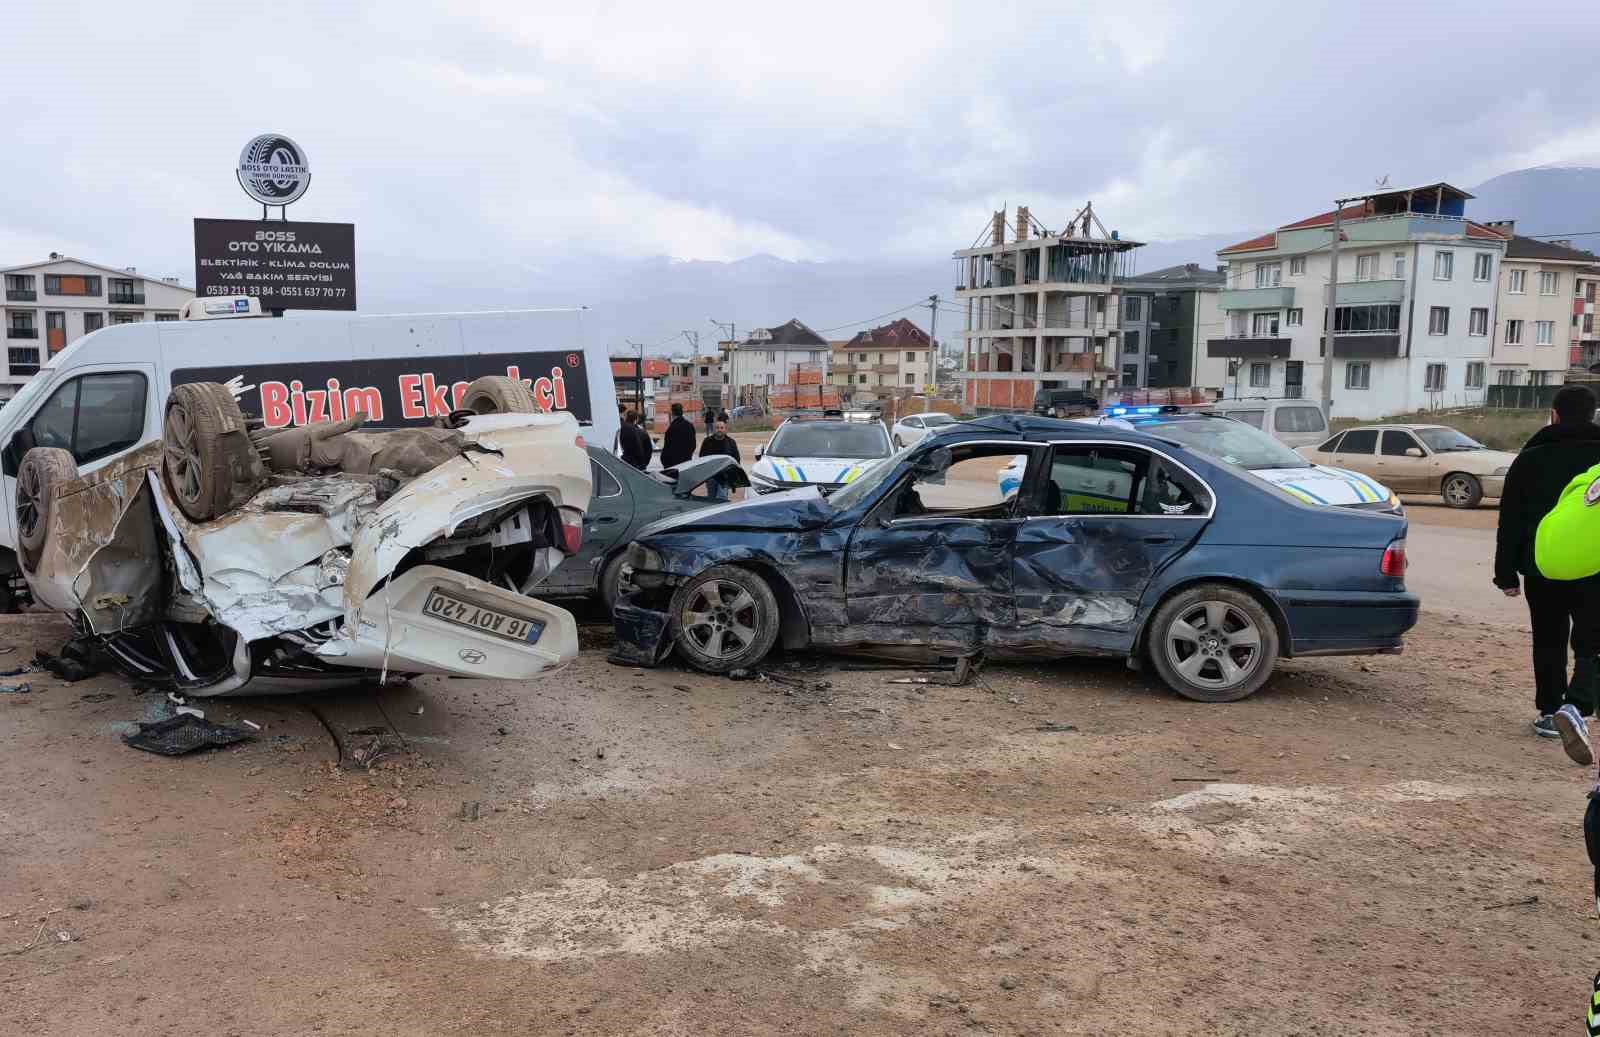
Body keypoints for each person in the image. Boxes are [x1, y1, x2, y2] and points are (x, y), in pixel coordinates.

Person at [1494, 383, 1600, 763]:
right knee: (1592, 640)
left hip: (1542, 565)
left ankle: (1549, 712)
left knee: (1549, 638)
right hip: (1595, 567)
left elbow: (1510, 520)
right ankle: (1579, 704)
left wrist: (1505, 574)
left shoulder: (1531, 457)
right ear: (1592, 415)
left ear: (1554, 414)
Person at [698, 415, 742, 500]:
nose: (719, 430)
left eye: (722, 428)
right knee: (711, 498)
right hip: (711, 475)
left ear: (725, 429)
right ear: (714, 429)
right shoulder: (707, 441)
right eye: (717, 428)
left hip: (725, 476)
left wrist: (733, 475)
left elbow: (736, 459)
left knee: (722, 498)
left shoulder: (731, 442)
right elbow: (701, 458)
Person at [659, 402, 697, 469]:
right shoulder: (690, 426)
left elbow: (667, 447)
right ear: (682, 412)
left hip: (673, 464)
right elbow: (693, 445)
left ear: (672, 413)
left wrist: (664, 460)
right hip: (686, 462)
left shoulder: (671, 428)